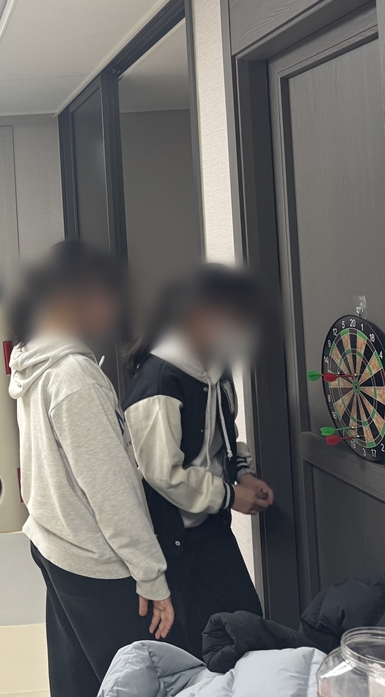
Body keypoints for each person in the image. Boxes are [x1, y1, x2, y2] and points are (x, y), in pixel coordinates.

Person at [9, 240, 174, 697]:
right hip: (95, 562)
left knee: (77, 680)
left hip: (54, 542)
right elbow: (111, 491)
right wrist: (151, 577)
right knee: (132, 683)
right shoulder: (74, 377)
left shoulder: (34, 357)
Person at [121, 264, 274, 658]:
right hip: (170, 541)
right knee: (190, 649)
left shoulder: (216, 369)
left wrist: (243, 473)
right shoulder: (159, 381)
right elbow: (162, 474)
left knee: (247, 628)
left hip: (210, 526)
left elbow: (224, 435)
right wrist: (230, 496)